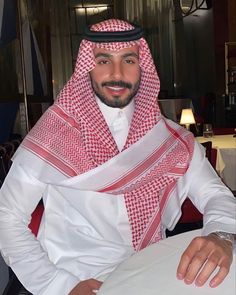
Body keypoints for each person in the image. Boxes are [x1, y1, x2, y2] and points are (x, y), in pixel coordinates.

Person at [0, 19, 235, 295]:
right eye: (103, 61)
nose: (116, 73)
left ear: (142, 66)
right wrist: (60, 286)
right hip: (76, 276)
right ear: (88, 66)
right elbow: (6, 217)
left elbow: (216, 194)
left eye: (129, 60)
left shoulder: (169, 139)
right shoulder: (55, 134)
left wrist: (221, 236)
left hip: (149, 272)